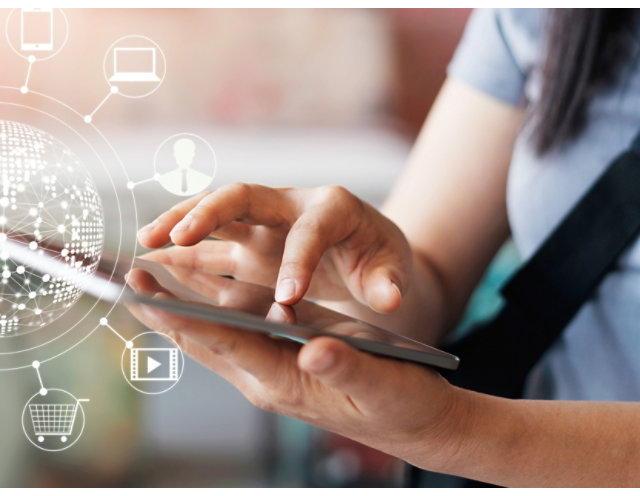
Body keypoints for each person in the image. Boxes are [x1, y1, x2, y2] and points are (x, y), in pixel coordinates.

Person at [133, 9, 640, 486]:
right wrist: (348, 281)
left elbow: (460, 429)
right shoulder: (540, 16)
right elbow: (426, 281)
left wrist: (459, 430)